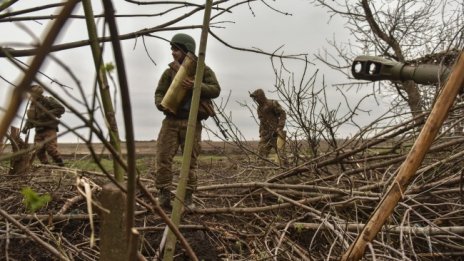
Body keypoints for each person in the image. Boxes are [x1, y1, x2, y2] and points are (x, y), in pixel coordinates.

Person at [154, 33, 221, 209]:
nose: (173, 53)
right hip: (170, 121)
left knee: (189, 161)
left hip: (192, 122)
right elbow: (159, 93)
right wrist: (161, 105)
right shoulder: (170, 72)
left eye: (176, 49)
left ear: (186, 50)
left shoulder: (202, 70)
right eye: (172, 49)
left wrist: (196, 85)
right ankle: (163, 196)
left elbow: (215, 89)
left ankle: (188, 198)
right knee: (162, 158)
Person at [22, 85, 65, 166]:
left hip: (49, 129)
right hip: (38, 130)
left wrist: (47, 113)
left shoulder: (48, 100)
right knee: (38, 150)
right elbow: (31, 118)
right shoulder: (32, 104)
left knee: (51, 149)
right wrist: (26, 127)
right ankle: (47, 168)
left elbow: (61, 109)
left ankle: (62, 167)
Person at [250, 89, 287, 165]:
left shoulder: (272, 103)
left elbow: (283, 114)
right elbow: (262, 122)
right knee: (261, 156)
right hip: (265, 135)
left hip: (276, 134)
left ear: (261, 96)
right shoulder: (259, 108)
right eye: (254, 98)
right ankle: (261, 173)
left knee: (281, 156)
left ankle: (288, 172)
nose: (255, 100)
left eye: (256, 97)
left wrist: (280, 127)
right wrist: (261, 132)